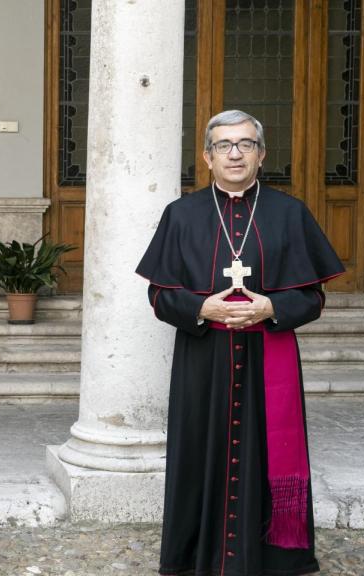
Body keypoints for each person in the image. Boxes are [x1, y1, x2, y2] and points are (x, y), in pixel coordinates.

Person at [137, 110, 344, 575]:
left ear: (261, 154)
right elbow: (158, 294)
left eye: (245, 144)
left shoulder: (289, 213)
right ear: (208, 157)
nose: (235, 153)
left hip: (268, 357)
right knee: (198, 452)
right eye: (224, 145)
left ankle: (273, 556)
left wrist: (271, 308)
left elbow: (312, 297)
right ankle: (194, 556)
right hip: (202, 358)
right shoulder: (181, 214)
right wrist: (200, 308)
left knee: (266, 454)